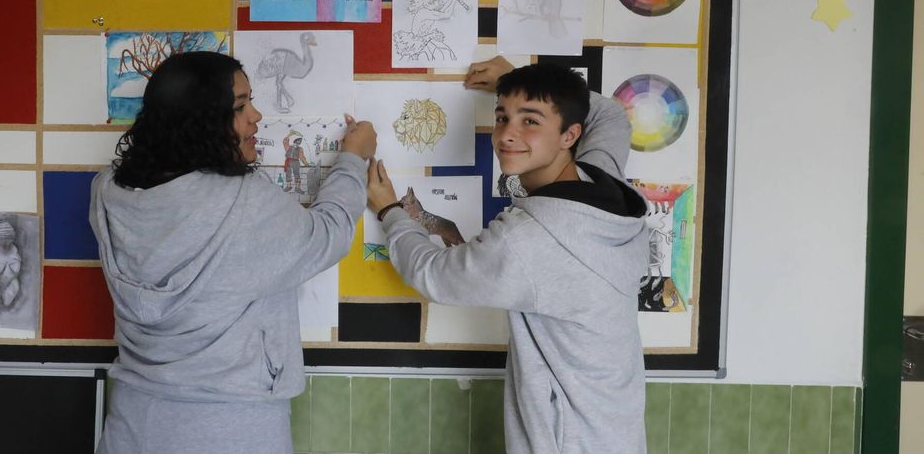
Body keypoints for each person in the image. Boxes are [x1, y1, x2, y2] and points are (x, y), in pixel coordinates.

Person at [88, 51, 377, 454]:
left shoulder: (107, 192)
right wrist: (352, 160)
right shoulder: (244, 202)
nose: (256, 116)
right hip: (234, 427)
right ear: (202, 122)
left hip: (134, 424)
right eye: (240, 106)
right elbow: (328, 234)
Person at [367, 56, 648, 454]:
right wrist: (518, 82)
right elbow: (612, 116)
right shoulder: (600, 180)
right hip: (618, 436)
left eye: (530, 120)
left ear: (570, 135)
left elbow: (433, 274)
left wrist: (389, 211)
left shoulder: (527, 240)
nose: (506, 135)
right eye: (502, 117)